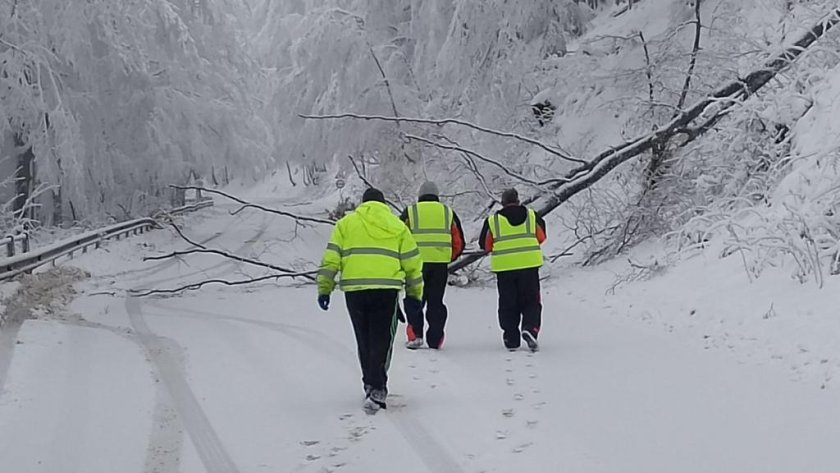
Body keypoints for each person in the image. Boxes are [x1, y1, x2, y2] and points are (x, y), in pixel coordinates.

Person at [317, 188, 424, 413]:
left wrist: (324, 288)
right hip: (386, 290)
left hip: (355, 291)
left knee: (363, 338)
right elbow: (413, 265)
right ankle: (377, 386)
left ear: (363, 204)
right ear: (383, 203)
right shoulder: (398, 226)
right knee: (382, 339)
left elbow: (331, 258)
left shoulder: (346, 224)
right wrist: (414, 295)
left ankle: (370, 382)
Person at [478, 188, 546, 352]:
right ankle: (530, 329)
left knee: (508, 303)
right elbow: (541, 236)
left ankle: (511, 338)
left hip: (505, 268)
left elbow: (485, 245)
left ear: (502, 202)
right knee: (531, 301)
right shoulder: (532, 216)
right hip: (529, 267)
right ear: (518, 200)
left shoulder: (493, 221)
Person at [399, 181, 465, 350]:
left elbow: (398, 237)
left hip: (415, 265)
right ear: (437, 196)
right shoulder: (447, 213)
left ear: (420, 196)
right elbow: (459, 241)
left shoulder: (411, 212)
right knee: (436, 302)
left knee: (414, 300)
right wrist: (448, 256)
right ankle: (435, 339)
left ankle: (415, 335)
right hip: (439, 265)